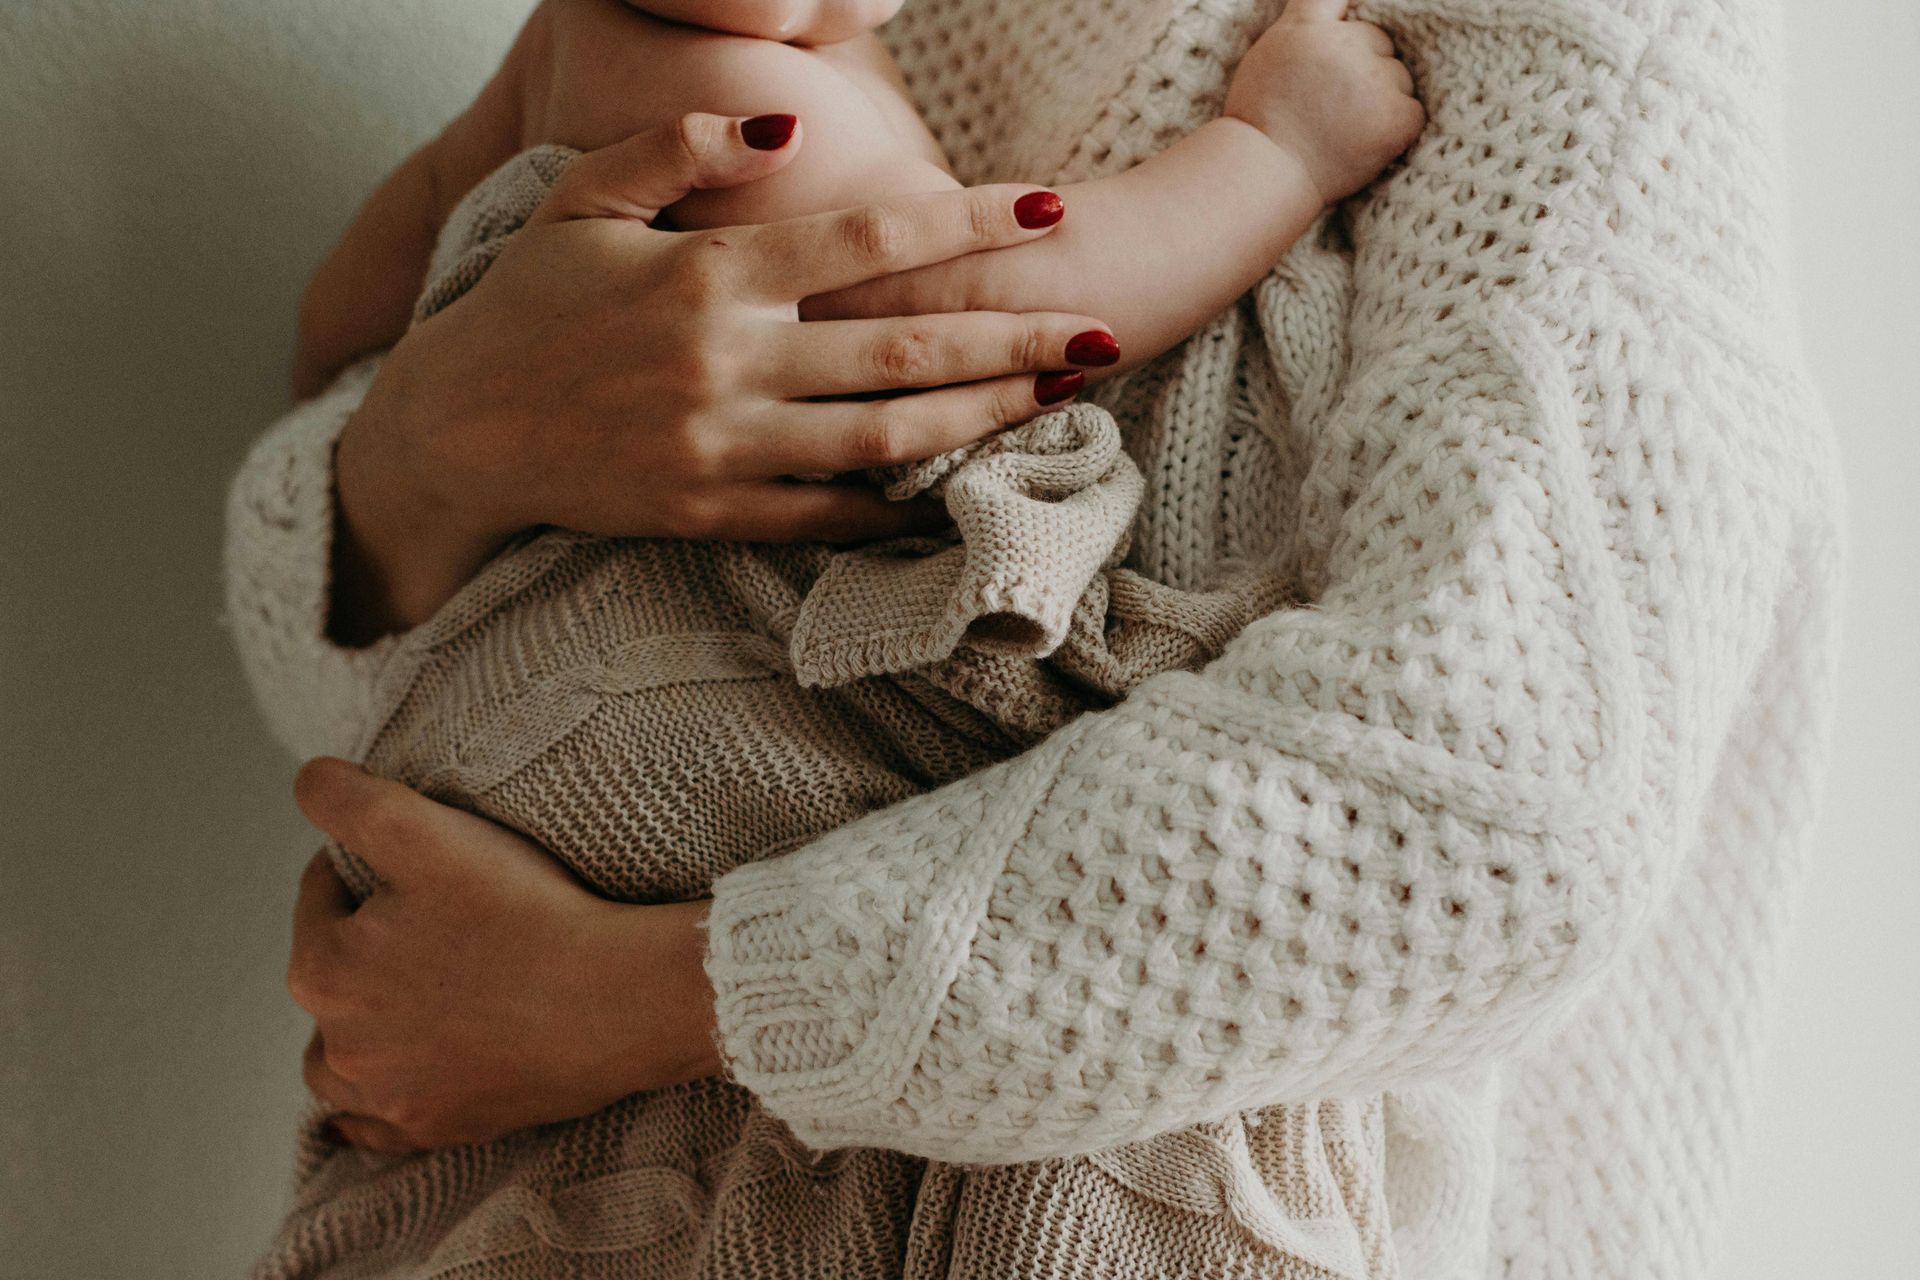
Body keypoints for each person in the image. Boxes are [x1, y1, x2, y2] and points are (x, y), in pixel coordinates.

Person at [228, 0, 1844, 1275]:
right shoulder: (723, 53)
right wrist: (441, 438)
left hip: (979, 1120)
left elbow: (1500, 814)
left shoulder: (1590, 55)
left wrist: (625, 997)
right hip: (572, 1026)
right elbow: (365, 656)